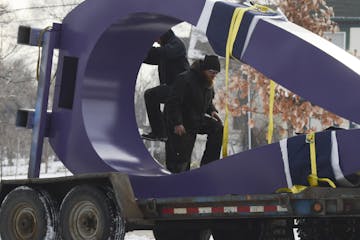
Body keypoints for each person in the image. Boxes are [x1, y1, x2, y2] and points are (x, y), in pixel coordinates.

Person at [165, 55, 223, 173]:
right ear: (204, 69)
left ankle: (208, 166)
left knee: (217, 128)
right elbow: (173, 103)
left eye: (216, 73)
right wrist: (177, 123)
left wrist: (211, 110)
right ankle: (179, 178)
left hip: (196, 119)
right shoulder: (185, 79)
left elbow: (206, 100)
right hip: (182, 122)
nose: (213, 75)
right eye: (211, 72)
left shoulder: (208, 83)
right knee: (182, 159)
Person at [142, 29, 190, 141]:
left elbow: (162, 53)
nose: (156, 42)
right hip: (173, 88)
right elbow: (152, 56)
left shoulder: (177, 44)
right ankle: (164, 134)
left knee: (150, 95)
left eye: (156, 39)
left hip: (181, 89)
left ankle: (159, 133)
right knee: (167, 117)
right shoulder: (166, 48)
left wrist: (144, 48)